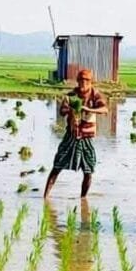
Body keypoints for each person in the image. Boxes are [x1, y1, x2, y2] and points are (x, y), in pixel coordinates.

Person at [43, 69, 108, 199]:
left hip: (86, 137)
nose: (83, 83)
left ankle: (83, 199)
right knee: (57, 165)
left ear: (91, 82)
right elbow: (62, 111)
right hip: (71, 135)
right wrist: (69, 109)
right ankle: (45, 197)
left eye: (86, 81)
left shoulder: (95, 95)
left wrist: (88, 109)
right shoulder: (72, 95)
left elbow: (104, 109)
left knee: (88, 170)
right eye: (81, 80)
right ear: (77, 81)